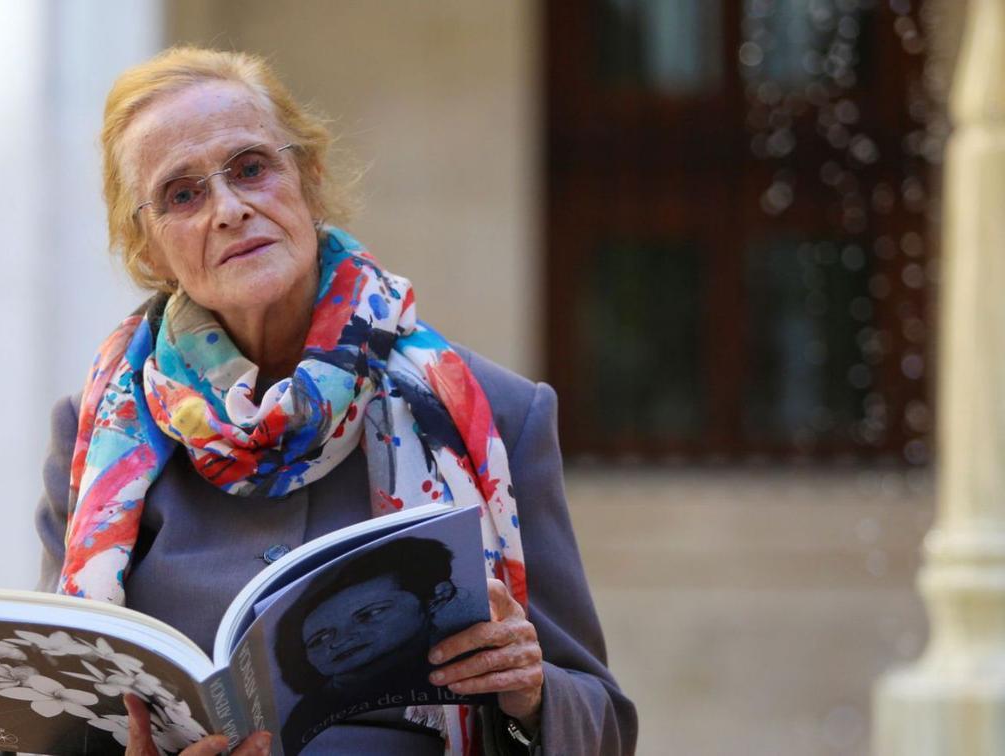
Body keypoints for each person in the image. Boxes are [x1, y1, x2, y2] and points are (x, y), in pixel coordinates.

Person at [33, 45, 638, 755]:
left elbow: (602, 725)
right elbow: (59, 726)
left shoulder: (494, 413)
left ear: (309, 180)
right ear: (150, 252)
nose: (229, 210)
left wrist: (530, 692)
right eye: (183, 194)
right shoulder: (95, 435)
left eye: (252, 168)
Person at [273, 537, 475, 751]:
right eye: (319, 639)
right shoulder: (304, 715)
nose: (341, 640)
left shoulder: (471, 653)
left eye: (371, 614)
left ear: (436, 598)